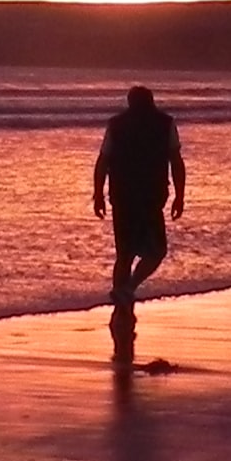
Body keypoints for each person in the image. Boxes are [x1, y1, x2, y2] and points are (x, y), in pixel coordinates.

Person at [91, 83, 186, 319]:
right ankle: (128, 290)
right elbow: (176, 161)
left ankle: (122, 298)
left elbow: (103, 161)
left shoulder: (117, 124)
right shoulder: (165, 124)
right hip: (151, 195)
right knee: (157, 251)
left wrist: (98, 194)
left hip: (122, 195)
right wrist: (180, 196)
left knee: (124, 254)